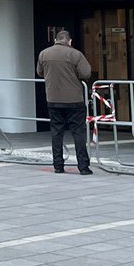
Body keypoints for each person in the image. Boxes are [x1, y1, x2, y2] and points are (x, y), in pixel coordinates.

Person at [37, 30, 93, 175]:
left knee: (56, 133)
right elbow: (86, 73)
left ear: (55, 40)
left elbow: (40, 72)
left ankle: (58, 165)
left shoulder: (44, 54)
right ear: (69, 41)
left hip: (53, 99)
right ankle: (83, 167)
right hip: (74, 100)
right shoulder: (75, 54)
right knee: (78, 133)